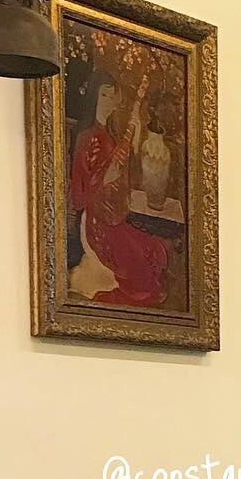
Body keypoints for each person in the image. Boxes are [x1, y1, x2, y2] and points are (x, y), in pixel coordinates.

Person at [68, 68, 169, 307]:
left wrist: (135, 137)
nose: (109, 101)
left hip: (116, 219)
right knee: (143, 281)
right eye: (104, 95)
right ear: (94, 97)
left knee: (157, 251)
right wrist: (102, 181)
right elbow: (78, 198)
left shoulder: (110, 136)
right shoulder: (87, 138)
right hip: (97, 224)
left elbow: (124, 172)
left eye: (113, 96)